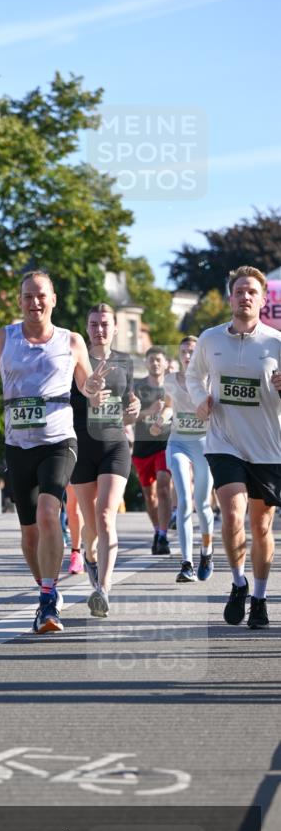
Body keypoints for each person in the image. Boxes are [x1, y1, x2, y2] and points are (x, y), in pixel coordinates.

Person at [0, 270, 102, 634]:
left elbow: (86, 386)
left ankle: (48, 599)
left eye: (41, 296)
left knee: (49, 511)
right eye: (28, 296)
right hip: (18, 443)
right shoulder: (3, 338)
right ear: (20, 300)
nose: (34, 302)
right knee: (29, 533)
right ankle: (45, 585)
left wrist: (95, 388)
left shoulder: (71, 341)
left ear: (53, 299)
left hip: (58, 439)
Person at [186, 265, 281, 628]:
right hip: (224, 441)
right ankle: (238, 582)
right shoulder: (210, 339)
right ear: (231, 297)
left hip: (268, 447)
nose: (245, 297)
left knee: (260, 526)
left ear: (263, 299)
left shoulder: (276, 343)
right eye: (239, 291)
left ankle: (259, 596)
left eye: (252, 292)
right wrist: (199, 399)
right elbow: (195, 376)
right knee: (232, 510)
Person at [69, 303, 140, 616]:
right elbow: (66, 398)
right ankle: (90, 556)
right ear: (87, 328)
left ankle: (104, 588)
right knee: (91, 525)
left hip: (114, 445)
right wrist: (88, 390)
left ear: (114, 328)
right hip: (82, 447)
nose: (99, 329)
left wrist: (134, 407)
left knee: (106, 514)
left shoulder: (125, 361)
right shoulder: (74, 358)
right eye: (94, 324)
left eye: (105, 324)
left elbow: (128, 398)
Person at [158, 337, 214, 583]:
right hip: (178, 442)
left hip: (204, 445)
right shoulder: (170, 380)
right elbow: (170, 405)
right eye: (184, 352)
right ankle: (186, 563)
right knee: (183, 500)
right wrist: (162, 418)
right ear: (179, 355)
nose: (188, 356)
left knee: (202, 504)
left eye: (192, 352)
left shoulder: (211, 380)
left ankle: (206, 551)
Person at [132, 346, 172, 555]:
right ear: (146, 363)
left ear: (166, 363)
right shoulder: (137, 388)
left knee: (164, 487)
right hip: (142, 447)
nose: (155, 363)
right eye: (151, 360)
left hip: (166, 444)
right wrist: (149, 411)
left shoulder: (173, 387)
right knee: (150, 496)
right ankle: (157, 530)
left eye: (158, 359)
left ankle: (164, 535)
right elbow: (127, 417)